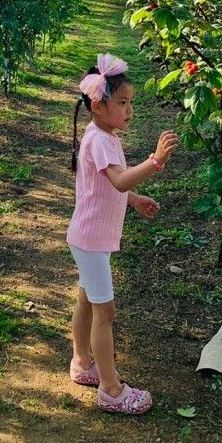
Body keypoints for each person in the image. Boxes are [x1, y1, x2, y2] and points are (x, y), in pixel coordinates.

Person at [66, 53, 177, 414]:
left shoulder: (104, 135)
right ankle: (111, 390)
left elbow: (109, 184)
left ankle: (82, 364)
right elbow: (117, 180)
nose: (129, 111)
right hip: (92, 241)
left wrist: (133, 199)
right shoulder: (100, 140)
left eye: (131, 103)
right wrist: (155, 161)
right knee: (105, 311)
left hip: (89, 236)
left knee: (88, 301)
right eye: (123, 103)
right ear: (98, 106)